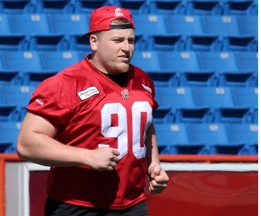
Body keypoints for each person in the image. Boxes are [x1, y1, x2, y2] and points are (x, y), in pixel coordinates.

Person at [17, 5, 169, 216]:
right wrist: (87, 157)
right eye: (117, 40)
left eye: (131, 40)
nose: (126, 47)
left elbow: (146, 125)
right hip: (77, 204)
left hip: (133, 203)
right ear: (94, 42)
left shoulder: (142, 80)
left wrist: (154, 165)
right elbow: (27, 144)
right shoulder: (65, 84)